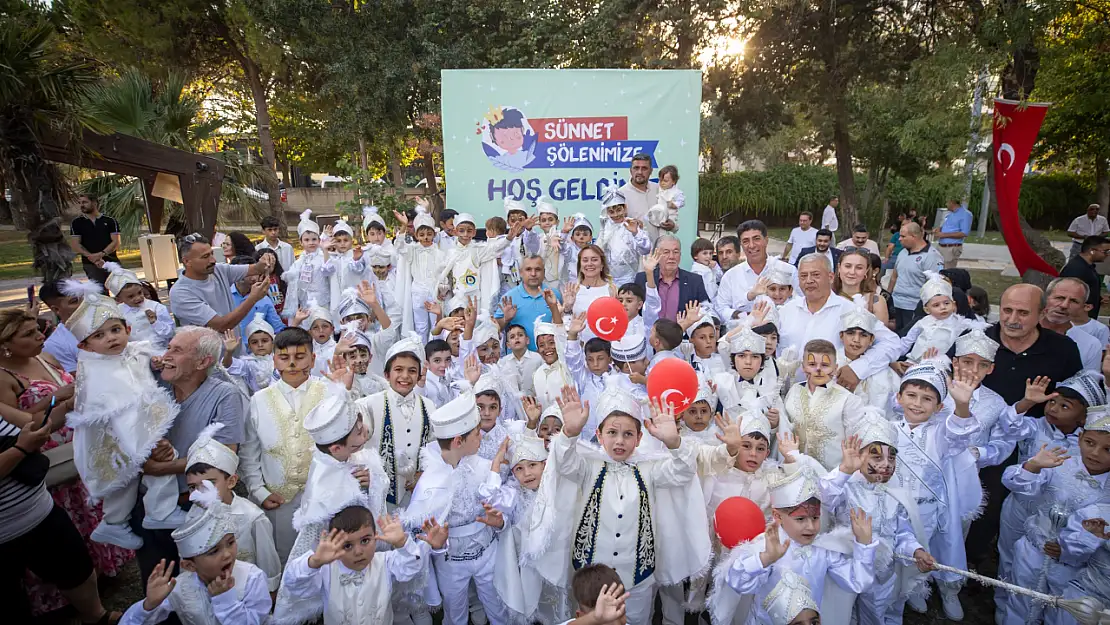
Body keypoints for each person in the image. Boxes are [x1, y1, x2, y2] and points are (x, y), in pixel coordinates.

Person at [0, 308, 133, 616]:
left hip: (76, 451)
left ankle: (99, 585)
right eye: (29, 334)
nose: (40, 337)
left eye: (38, 330)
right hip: (47, 461)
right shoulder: (3, 377)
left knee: (83, 525)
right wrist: (59, 398)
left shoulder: (45, 356)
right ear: (6, 344)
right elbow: (24, 424)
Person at [549, 386, 708, 625]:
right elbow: (564, 463)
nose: (620, 441)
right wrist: (569, 433)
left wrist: (674, 442)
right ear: (599, 435)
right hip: (590, 577)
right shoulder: (587, 465)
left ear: (640, 438)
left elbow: (683, 472)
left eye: (628, 434)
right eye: (612, 433)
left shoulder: (650, 468)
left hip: (637, 578)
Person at [964, 284, 1083, 573]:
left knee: (1022, 510)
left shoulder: (1062, 349)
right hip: (983, 442)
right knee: (983, 502)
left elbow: (1075, 397)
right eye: (1007, 310)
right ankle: (969, 560)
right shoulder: (978, 340)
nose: (1012, 319)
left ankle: (1017, 567)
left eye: (1023, 312)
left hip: (1037, 445)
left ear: (1042, 314)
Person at [63, 284, 184, 550]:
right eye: (100, 335)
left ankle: (115, 522)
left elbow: (141, 358)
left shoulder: (126, 353)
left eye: (116, 330)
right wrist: (148, 442)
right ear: (86, 344)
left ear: (127, 329)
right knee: (156, 459)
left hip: (129, 430)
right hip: (121, 433)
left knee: (126, 479)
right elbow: (119, 412)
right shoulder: (96, 370)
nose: (111, 339)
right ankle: (159, 511)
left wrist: (153, 362)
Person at [403, 379, 510, 625]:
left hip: (487, 552)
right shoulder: (431, 481)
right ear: (458, 442)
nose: (481, 436)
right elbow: (421, 531)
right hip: (450, 561)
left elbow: (500, 508)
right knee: (455, 612)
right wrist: (438, 547)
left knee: (497, 606)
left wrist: (500, 522)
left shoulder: (484, 466)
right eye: (475, 434)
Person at [820, 415, 937, 625]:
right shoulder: (845, 487)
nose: (885, 464)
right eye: (876, 457)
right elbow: (823, 498)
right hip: (848, 571)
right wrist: (845, 471)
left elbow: (901, 532)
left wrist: (916, 551)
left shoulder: (895, 494)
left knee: (879, 615)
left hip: (884, 577)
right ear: (859, 456)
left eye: (891, 458)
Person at [997, 410, 1110, 625]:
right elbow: (1013, 483)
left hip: (1075, 567)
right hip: (1033, 549)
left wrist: (1070, 550)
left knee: (1059, 609)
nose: (1095, 453)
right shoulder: (1060, 461)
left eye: (1108, 449)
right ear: (1080, 437)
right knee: (1020, 599)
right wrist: (1033, 466)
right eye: (1089, 442)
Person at [889, 359, 981, 620]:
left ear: (939, 406)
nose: (917, 403)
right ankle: (914, 588)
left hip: (931, 508)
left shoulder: (940, 432)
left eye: (927, 399)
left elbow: (959, 435)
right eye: (911, 395)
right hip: (897, 505)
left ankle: (946, 588)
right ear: (899, 397)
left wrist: (962, 405)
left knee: (937, 547)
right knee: (904, 548)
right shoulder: (889, 429)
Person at [239, 326, 334, 563]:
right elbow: (250, 452)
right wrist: (259, 491)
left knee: (324, 554)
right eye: (284, 358)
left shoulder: (329, 393)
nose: (291, 364)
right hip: (278, 497)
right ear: (274, 360)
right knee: (285, 555)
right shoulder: (259, 400)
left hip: (324, 494)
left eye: (299, 357)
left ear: (312, 359)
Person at [118, 493, 272, 625]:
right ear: (190, 565)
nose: (227, 554)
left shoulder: (252, 578)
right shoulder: (180, 586)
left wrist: (225, 600)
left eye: (230, 543)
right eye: (214, 551)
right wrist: (149, 605)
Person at [277, 505, 446, 625]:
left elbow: (410, 567)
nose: (358, 552)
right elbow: (295, 584)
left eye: (365, 540)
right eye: (347, 545)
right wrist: (314, 562)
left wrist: (402, 543)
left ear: (375, 536)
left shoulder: (385, 562)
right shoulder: (326, 569)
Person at [777, 254, 902, 396]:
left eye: (816, 275)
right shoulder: (786, 311)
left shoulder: (850, 310)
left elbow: (891, 342)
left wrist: (858, 369)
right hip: (786, 396)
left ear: (830, 277)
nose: (809, 281)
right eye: (803, 276)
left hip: (830, 398)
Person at [184, 424, 281, 593]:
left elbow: (267, 560)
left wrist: (270, 592)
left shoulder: (253, 517)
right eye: (193, 487)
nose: (199, 493)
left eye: (209, 484)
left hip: (247, 593)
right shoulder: (193, 516)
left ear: (231, 481)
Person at [169, 233, 275, 333]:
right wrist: (253, 299)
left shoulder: (218, 270)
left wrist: (265, 261)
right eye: (205, 257)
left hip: (237, 350)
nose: (213, 260)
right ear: (187, 261)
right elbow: (221, 325)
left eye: (212, 254)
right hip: (207, 352)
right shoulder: (181, 292)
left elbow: (256, 268)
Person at [717, 220, 799, 320]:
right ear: (741, 245)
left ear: (766, 240)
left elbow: (800, 302)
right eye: (746, 241)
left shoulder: (788, 270)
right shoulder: (731, 276)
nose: (751, 245)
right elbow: (721, 309)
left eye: (756, 239)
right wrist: (746, 314)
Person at [633, 234, 709, 321]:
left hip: (682, 333)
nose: (672, 257)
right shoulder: (643, 278)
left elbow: (705, 310)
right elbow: (634, 311)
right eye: (666, 252)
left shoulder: (695, 281)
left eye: (676, 252)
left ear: (680, 255)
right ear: (656, 255)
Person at [495, 255, 562, 349]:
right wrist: (506, 320)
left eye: (537, 269)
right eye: (528, 269)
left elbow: (561, 326)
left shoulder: (554, 295)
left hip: (549, 357)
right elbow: (495, 329)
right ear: (521, 272)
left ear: (544, 272)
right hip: (519, 360)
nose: (533, 274)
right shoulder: (509, 298)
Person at [887, 221, 944, 333]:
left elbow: (935, 285)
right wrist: (887, 297)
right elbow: (894, 276)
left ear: (914, 236)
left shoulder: (932, 257)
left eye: (903, 236)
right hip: (896, 304)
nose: (899, 239)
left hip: (913, 307)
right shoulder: (903, 252)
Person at [103, 262, 175, 348]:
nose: (138, 298)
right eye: (131, 296)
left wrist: (155, 322)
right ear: (119, 299)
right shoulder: (117, 312)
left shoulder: (156, 307)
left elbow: (171, 332)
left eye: (139, 293)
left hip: (159, 350)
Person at [1040, 277, 1104, 372]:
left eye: (1074, 301)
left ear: (1083, 307)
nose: (1064, 305)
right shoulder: (1019, 333)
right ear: (1045, 299)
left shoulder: (1090, 345)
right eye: (1060, 298)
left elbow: (1089, 383)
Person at [283, 210, 336, 320]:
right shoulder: (299, 262)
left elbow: (328, 271)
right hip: (305, 304)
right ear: (301, 242)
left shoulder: (323, 257)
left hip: (323, 302)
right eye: (307, 240)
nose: (311, 242)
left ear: (319, 240)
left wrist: (325, 251)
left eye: (314, 239)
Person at [597, 187, 651, 287]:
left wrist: (636, 233)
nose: (616, 215)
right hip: (608, 280)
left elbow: (646, 250)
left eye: (619, 210)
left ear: (625, 208)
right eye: (611, 212)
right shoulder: (606, 228)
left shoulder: (632, 224)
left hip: (630, 279)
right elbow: (598, 251)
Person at [229, 255, 287, 342]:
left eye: (256, 273)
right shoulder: (224, 295)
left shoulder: (263, 298)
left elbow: (278, 328)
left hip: (256, 352)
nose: (254, 278)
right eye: (249, 274)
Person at [69, 193, 121, 286]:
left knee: (121, 288)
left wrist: (101, 254)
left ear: (94, 203)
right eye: (80, 203)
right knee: (100, 293)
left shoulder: (109, 221)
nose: (82, 205)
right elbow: (75, 245)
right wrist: (92, 258)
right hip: (90, 265)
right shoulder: (76, 223)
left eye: (85, 202)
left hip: (111, 261)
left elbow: (116, 242)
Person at [832, 249, 890, 329]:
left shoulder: (875, 302)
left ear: (866, 271)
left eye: (859, 268)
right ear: (839, 267)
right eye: (848, 266)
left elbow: (882, 337)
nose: (852, 272)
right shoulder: (827, 298)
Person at [618, 153, 669, 242]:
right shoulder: (621, 195)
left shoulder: (659, 190)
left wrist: (672, 225)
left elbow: (671, 216)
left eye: (644, 168)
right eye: (636, 168)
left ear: (651, 171)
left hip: (658, 250)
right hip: (632, 251)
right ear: (631, 170)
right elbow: (614, 226)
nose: (640, 172)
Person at [1060, 235, 1110, 319]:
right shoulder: (1076, 269)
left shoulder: (1088, 266)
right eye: (1105, 251)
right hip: (1077, 320)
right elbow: (1070, 294)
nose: (1107, 255)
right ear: (1092, 251)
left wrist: (1099, 299)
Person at [38, 280, 82, 373]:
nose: (85, 303)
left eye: (87, 297)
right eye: (75, 301)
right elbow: (79, 381)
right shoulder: (56, 344)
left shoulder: (111, 321)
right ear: (56, 309)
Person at [645, 164, 684, 238]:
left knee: (663, 233)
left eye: (665, 181)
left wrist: (675, 204)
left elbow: (681, 201)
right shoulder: (657, 188)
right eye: (660, 180)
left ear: (674, 181)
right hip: (658, 213)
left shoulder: (676, 192)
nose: (662, 183)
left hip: (670, 215)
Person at [934, 199, 973, 268]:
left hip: (951, 248)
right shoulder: (951, 213)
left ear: (953, 202)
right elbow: (950, 227)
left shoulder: (966, 214)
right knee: (937, 270)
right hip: (941, 246)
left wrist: (943, 235)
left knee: (947, 273)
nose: (946, 204)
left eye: (947, 202)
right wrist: (940, 228)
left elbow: (964, 233)